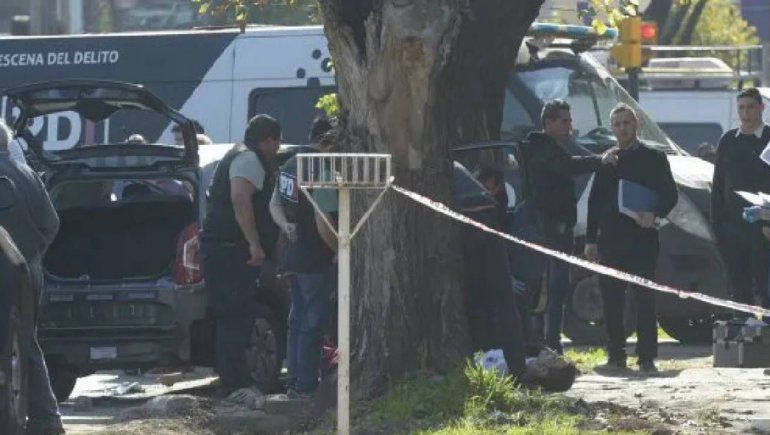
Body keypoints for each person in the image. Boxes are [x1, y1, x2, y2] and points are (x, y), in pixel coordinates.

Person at [584, 103, 677, 373]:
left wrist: (655, 213)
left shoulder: (654, 158)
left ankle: (647, 358)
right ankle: (616, 356)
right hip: (611, 239)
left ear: (636, 124)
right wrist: (591, 239)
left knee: (644, 299)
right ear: (612, 129)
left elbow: (670, 195)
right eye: (617, 124)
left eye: (627, 123)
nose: (623, 129)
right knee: (611, 299)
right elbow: (594, 202)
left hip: (643, 237)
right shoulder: (607, 161)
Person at [525, 99, 618, 354]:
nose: (569, 126)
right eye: (564, 121)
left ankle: (549, 344)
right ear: (549, 124)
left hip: (559, 227)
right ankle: (548, 345)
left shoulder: (553, 147)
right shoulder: (542, 148)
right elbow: (569, 166)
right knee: (551, 290)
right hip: (550, 229)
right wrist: (600, 160)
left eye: (569, 120)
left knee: (557, 289)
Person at [200, 114, 281, 400]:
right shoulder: (248, 160)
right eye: (276, 143)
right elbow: (240, 199)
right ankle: (234, 383)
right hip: (229, 249)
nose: (277, 149)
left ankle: (234, 379)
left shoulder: (240, 155)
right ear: (268, 139)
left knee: (235, 316)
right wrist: (254, 245)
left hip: (224, 248)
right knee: (235, 316)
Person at [0, 122, 64, 434]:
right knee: (24, 343)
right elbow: (51, 223)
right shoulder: (27, 174)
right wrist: (29, 253)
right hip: (29, 272)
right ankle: (46, 418)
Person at [270, 126, 338, 399]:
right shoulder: (322, 167)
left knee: (296, 320)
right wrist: (341, 249)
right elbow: (323, 219)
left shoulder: (288, 165)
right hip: (315, 258)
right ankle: (307, 384)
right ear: (329, 142)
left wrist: (286, 225)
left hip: (292, 255)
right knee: (312, 321)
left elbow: (273, 205)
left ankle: (294, 381)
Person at [712, 88, 770, 310]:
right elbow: (718, 187)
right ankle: (741, 337)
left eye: (751, 107)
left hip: (763, 229)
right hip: (732, 229)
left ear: (761, 108)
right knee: (739, 289)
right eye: (741, 108)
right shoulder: (728, 140)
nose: (745, 113)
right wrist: (718, 229)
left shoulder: (768, 138)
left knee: (765, 289)